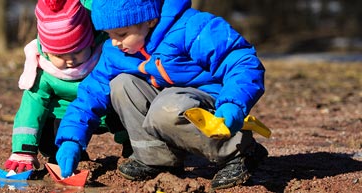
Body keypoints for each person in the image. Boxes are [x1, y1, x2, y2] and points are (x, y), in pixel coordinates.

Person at [54, 0, 269, 189]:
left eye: (121, 34)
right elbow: (90, 94)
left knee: (166, 107)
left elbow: (241, 61)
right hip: (170, 99)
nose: (115, 43)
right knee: (121, 84)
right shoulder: (116, 51)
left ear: (149, 20)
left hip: (211, 102)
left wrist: (233, 102)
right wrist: (71, 138)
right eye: (109, 35)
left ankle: (239, 151)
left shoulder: (191, 27)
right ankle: (156, 158)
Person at [3, 0, 132, 173]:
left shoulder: (104, 54)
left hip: (105, 110)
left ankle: (132, 146)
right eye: (60, 55)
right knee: (51, 140)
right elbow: (30, 109)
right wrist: (23, 150)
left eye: (78, 51)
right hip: (63, 115)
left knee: (124, 99)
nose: (70, 60)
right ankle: (61, 154)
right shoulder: (44, 71)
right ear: (46, 52)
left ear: (91, 42)